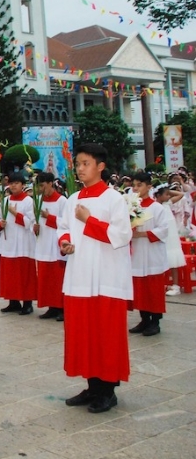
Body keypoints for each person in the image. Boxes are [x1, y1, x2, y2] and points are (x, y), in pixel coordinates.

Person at [58, 143, 133, 414]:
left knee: (106, 334)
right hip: (79, 275)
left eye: (86, 163)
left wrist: (89, 221)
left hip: (106, 277)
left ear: (100, 166)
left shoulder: (113, 198)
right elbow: (64, 228)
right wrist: (65, 242)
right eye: (78, 164)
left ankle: (108, 390)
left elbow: (122, 236)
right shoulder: (73, 198)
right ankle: (91, 385)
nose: (80, 168)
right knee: (84, 333)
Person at [128, 173, 169, 336]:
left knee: (153, 288)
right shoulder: (132, 207)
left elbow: (164, 229)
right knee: (140, 288)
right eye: (134, 185)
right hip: (138, 253)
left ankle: (155, 321)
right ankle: (144, 319)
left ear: (149, 187)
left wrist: (143, 234)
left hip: (152, 254)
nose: (136, 188)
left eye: (140, 185)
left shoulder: (157, 207)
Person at [0, 172, 37, 315]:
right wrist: (0, 224)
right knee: (10, 274)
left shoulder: (28, 201)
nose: (13, 186)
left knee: (24, 274)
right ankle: (13, 301)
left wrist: (14, 213)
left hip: (23, 243)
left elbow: (30, 222)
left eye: (16, 183)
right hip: (8, 242)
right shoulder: (4, 200)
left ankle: (27, 303)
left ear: (23, 185)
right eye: (11, 183)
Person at [33, 172, 67, 321]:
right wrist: (34, 227)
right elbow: (33, 220)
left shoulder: (62, 201)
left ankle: (61, 307)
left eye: (42, 185)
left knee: (57, 277)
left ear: (50, 183)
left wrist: (49, 218)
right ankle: (51, 306)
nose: (40, 189)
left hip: (55, 243)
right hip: (43, 242)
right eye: (38, 186)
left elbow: (66, 223)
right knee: (45, 277)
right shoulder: (38, 200)